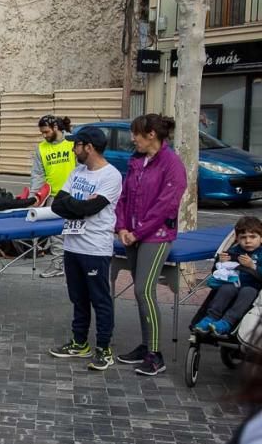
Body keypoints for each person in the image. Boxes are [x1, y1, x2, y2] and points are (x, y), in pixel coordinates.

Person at [113, 114, 187, 376]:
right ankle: (146, 346)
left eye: (136, 134)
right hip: (132, 234)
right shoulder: (136, 161)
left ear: (151, 135)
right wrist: (121, 226)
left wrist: (138, 232)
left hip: (156, 236)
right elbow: (124, 196)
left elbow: (165, 206)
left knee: (144, 290)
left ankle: (155, 354)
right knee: (141, 292)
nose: (132, 139)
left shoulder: (172, 164)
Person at [47, 127, 123, 371]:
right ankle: (80, 342)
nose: (72, 148)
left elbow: (89, 209)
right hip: (72, 244)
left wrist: (76, 206)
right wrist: (77, 205)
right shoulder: (78, 171)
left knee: (99, 299)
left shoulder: (111, 176)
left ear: (88, 147)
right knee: (77, 297)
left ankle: (104, 348)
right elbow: (59, 204)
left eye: (76, 144)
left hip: (95, 247)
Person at [193, 216, 262, 337]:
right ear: (237, 238)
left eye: (253, 237)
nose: (248, 241)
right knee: (226, 289)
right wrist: (220, 263)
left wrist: (253, 266)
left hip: (253, 288)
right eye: (243, 238)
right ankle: (210, 318)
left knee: (248, 291)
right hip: (232, 284)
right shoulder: (233, 251)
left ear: (261, 238)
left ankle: (227, 322)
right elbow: (217, 272)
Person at [30, 115, 73, 278]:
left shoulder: (73, 143)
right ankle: (58, 264)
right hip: (54, 197)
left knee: (76, 230)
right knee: (57, 233)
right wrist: (35, 197)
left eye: (46, 132)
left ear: (56, 127)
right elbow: (38, 174)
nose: (44, 135)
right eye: (42, 133)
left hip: (73, 195)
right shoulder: (41, 148)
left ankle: (74, 264)